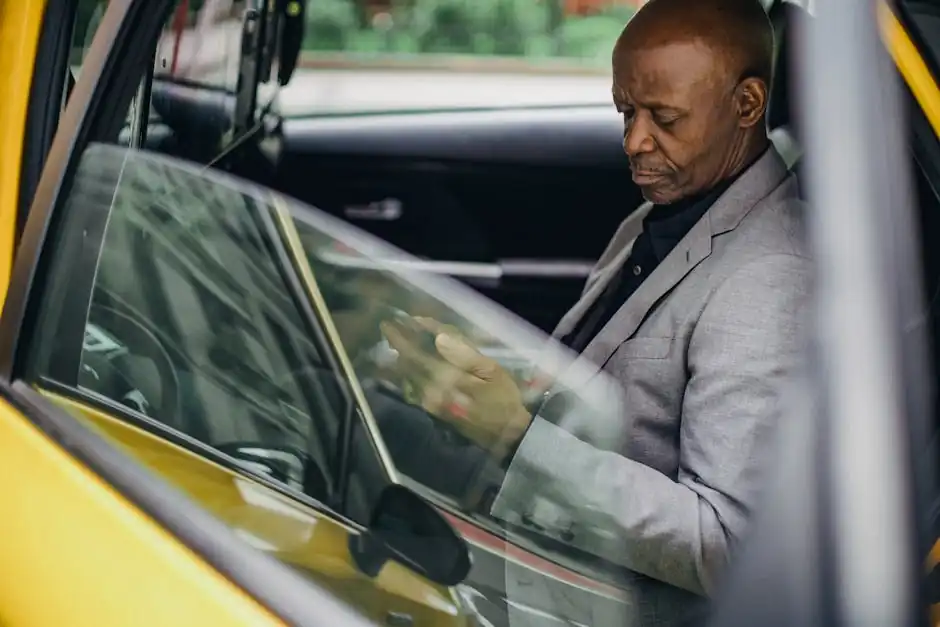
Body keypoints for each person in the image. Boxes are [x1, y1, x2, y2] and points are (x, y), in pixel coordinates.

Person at [381, 0, 810, 622]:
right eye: (626, 111)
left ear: (747, 105)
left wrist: (514, 435)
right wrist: (477, 370)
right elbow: (598, 375)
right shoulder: (665, 212)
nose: (635, 141)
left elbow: (727, 544)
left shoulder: (770, 279)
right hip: (536, 539)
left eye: (664, 117)